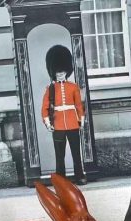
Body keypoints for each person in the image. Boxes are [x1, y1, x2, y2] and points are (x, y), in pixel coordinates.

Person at [41, 45, 87, 185]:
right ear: (53, 72)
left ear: (66, 71)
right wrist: (48, 123)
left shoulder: (73, 87)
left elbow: (78, 105)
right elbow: (44, 108)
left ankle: (79, 176)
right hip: (58, 125)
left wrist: (81, 121)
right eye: (57, 72)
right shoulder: (50, 89)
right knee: (59, 155)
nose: (60, 74)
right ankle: (61, 179)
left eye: (62, 71)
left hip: (73, 123)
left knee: (76, 152)